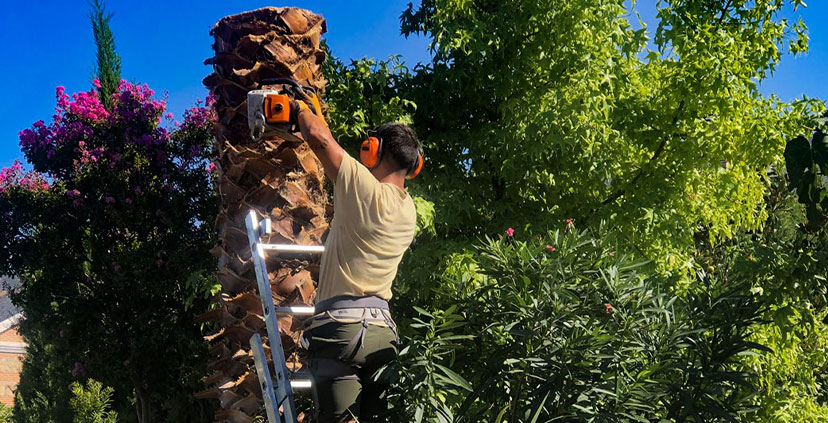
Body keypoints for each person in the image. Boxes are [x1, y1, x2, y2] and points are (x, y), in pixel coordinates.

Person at [293, 103, 420, 422]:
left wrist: (297, 103)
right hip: (382, 333)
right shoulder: (409, 212)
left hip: (342, 330)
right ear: (414, 166)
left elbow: (317, 136)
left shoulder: (362, 188)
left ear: (372, 151)